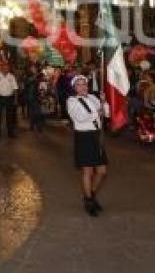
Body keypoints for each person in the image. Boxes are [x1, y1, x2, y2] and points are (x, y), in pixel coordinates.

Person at [67, 75, 108, 217]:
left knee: (102, 170)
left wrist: (103, 102)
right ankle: (89, 201)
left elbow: (106, 113)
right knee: (88, 171)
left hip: (97, 136)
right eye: (79, 84)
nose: (82, 86)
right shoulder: (72, 101)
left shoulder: (92, 98)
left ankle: (90, 195)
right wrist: (97, 112)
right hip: (84, 137)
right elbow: (80, 117)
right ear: (74, 88)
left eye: (84, 84)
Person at [0, 60, 18, 138]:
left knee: (9, 116)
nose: (6, 68)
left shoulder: (12, 76)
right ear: (1, 68)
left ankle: (10, 133)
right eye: (4, 66)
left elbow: (15, 88)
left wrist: (15, 100)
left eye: (7, 67)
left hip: (9, 98)